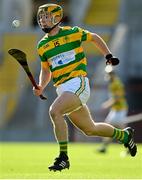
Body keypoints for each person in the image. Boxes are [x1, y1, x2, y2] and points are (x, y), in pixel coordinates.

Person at [33, 3, 137, 171]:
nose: (42, 20)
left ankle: (63, 157)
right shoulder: (42, 45)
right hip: (63, 89)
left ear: (56, 18)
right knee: (90, 129)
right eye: (40, 17)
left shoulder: (72, 33)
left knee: (55, 111)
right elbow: (46, 70)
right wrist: (41, 86)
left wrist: (108, 56)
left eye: (45, 17)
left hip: (77, 83)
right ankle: (125, 135)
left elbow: (94, 37)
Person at [97, 71, 129, 154]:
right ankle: (104, 147)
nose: (108, 76)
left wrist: (107, 104)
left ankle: (129, 148)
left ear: (113, 75)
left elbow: (117, 98)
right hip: (115, 109)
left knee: (122, 129)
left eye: (109, 74)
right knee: (109, 127)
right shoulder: (112, 83)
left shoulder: (117, 84)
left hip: (120, 109)